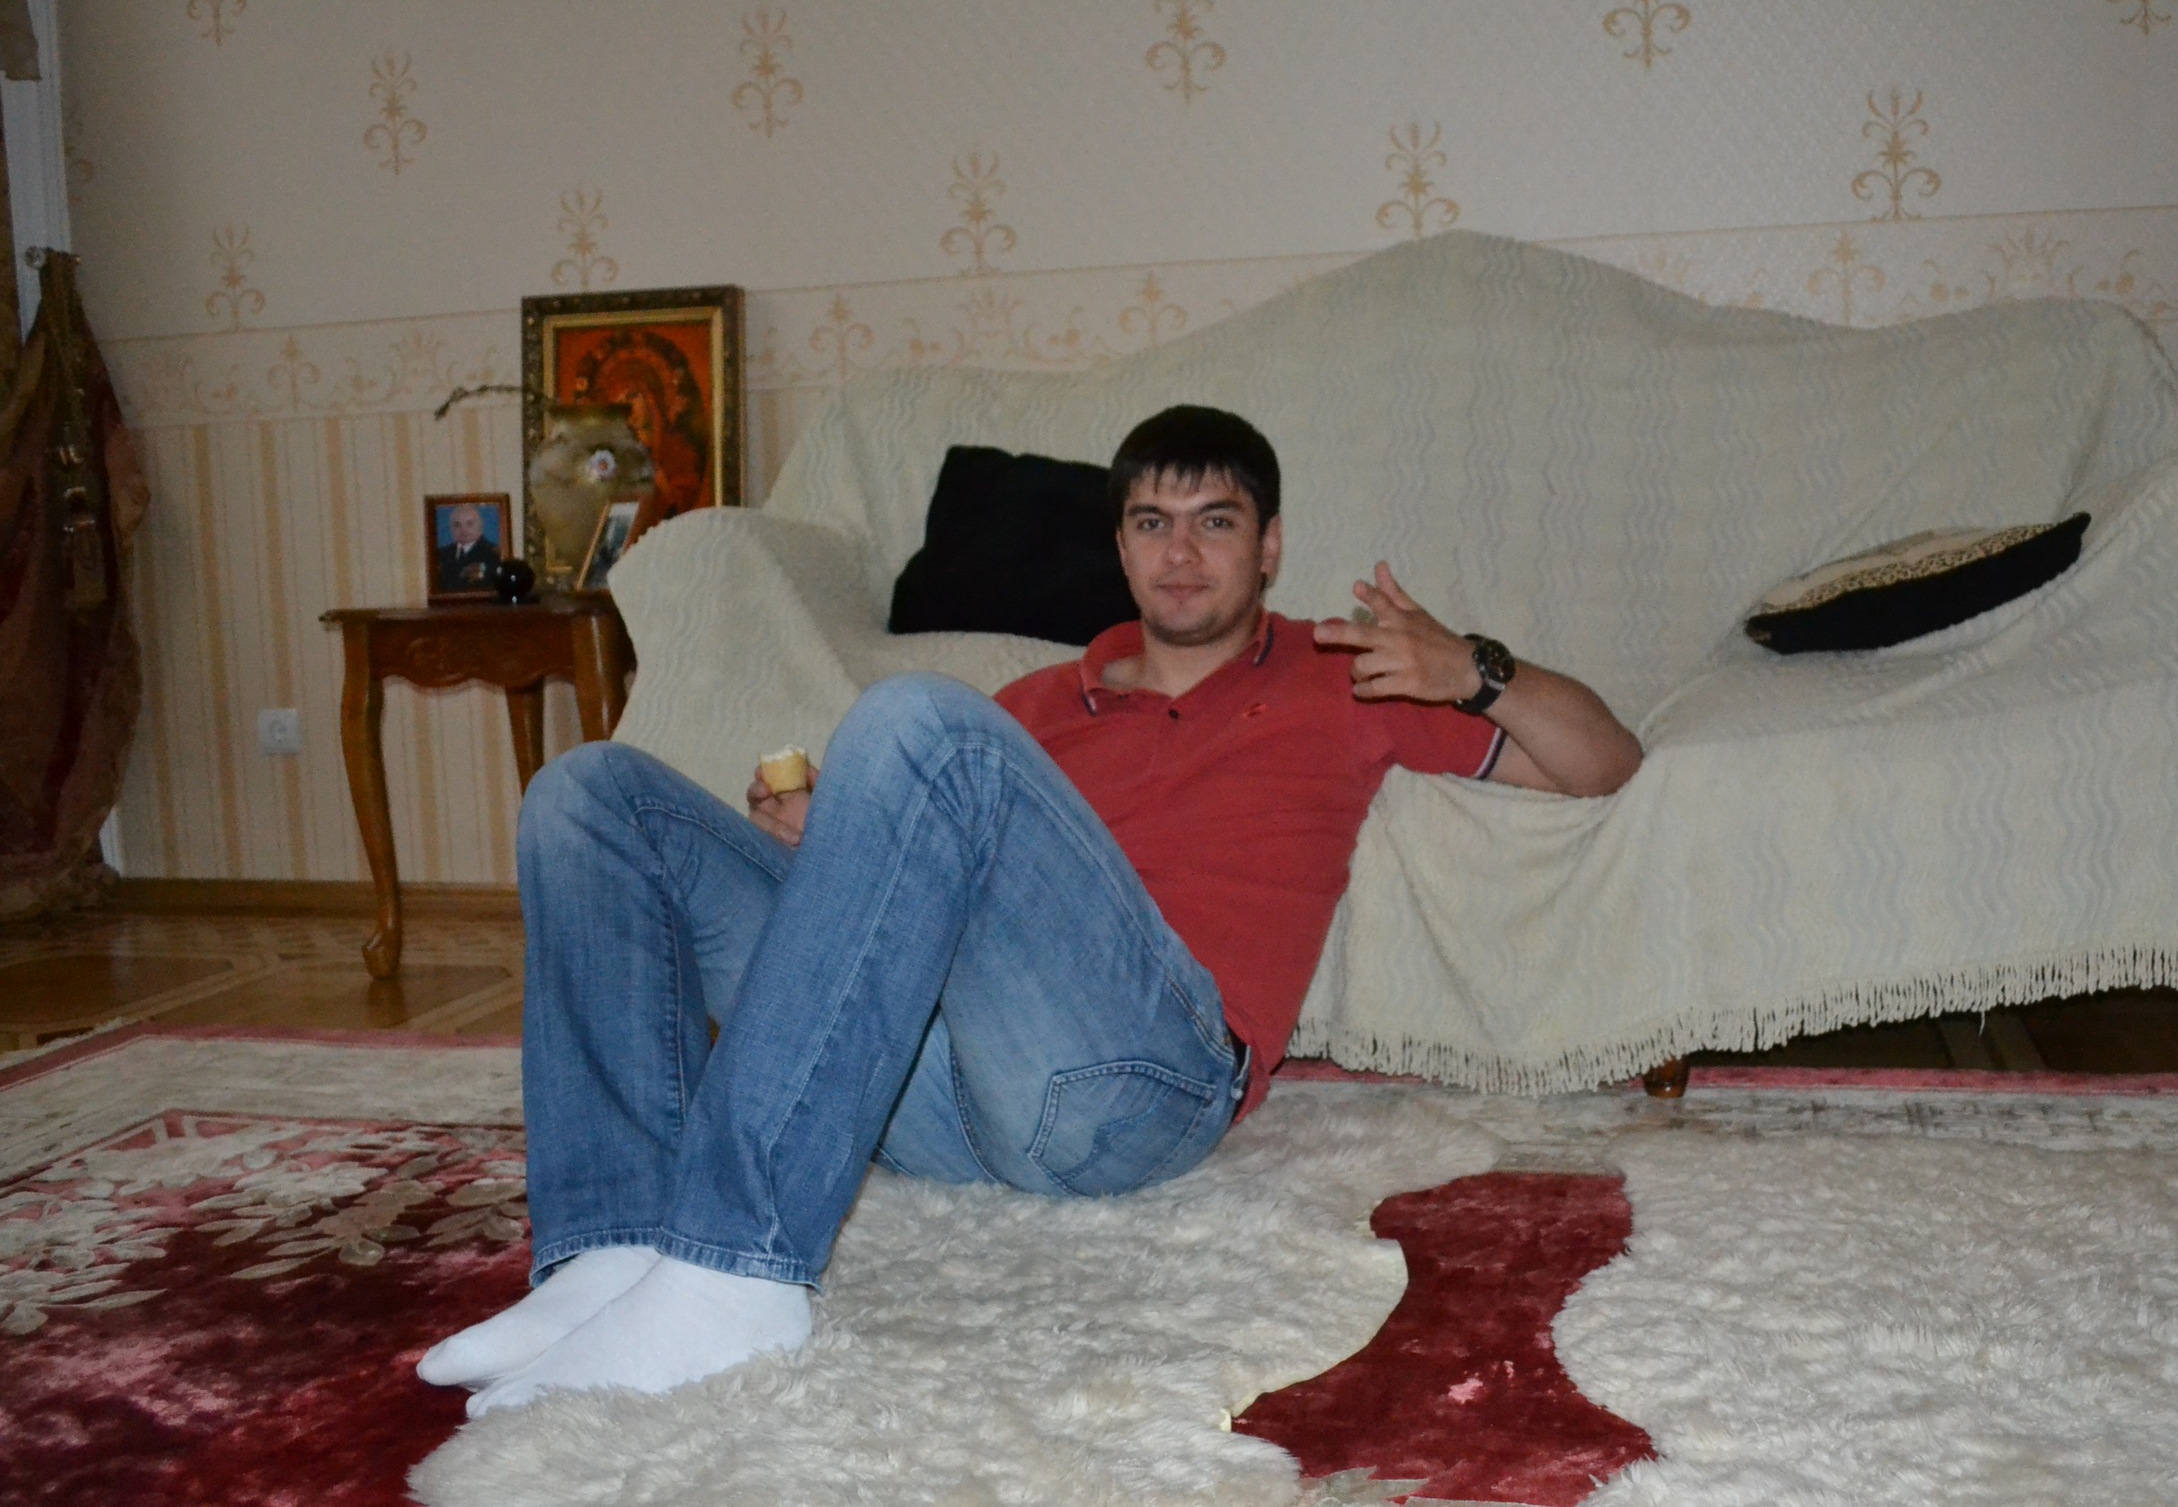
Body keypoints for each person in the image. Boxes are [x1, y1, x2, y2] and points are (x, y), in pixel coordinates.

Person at [419, 405, 1643, 1415]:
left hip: (1143, 1083)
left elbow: (1605, 764)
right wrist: (842, 847)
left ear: (1269, 546)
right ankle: (614, 1249)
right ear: (1119, 547)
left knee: (920, 726)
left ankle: (735, 1275)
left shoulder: (1348, 675)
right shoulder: (1038, 707)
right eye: (1152, 523)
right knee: (592, 797)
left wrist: (1475, 671)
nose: (1180, 554)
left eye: (1215, 522)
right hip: (939, 1089)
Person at [434, 502, 501, 595]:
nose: (463, 530)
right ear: (451, 528)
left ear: (480, 526)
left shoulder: (494, 554)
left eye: (469, 524)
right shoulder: (440, 554)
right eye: (457, 525)